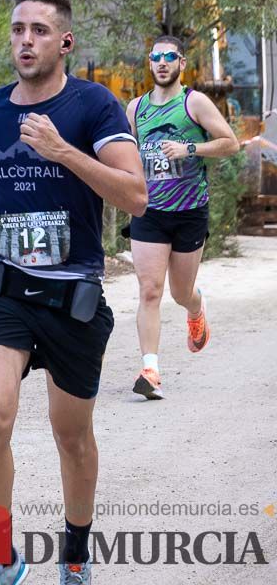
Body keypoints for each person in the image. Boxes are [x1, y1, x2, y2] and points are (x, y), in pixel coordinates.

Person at [0, 0, 147, 584]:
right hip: (0, 290)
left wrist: (64, 152)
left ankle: (76, 554)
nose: (25, 41)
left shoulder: (95, 107)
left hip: (73, 297)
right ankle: (0, 554)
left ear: (64, 41)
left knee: (72, 436)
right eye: (17, 30)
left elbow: (135, 195)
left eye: (39, 30)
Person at [125, 35, 239, 400]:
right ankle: (150, 369)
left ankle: (196, 307)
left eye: (168, 57)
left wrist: (189, 147)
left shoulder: (195, 102)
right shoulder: (136, 109)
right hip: (150, 212)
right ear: (149, 62)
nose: (161, 62)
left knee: (179, 292)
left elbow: (230, 143)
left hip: (189, 212)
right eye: (155, 57)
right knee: (150, 290)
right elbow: (128, 154)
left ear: (181, 63)